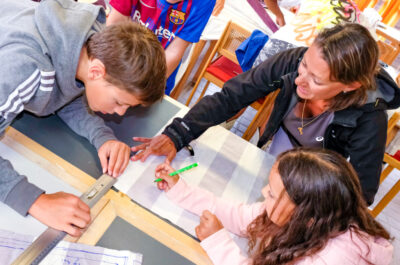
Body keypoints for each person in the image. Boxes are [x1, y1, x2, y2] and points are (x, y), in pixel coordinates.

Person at [131, 23, 400, 205]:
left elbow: (360, 193)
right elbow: (231, 97)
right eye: (305, 66)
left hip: (317, 179)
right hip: (278, 150)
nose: (300, 80)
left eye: (316, 81)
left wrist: (308, 207)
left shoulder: (370, 117)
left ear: (350, 86)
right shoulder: (292, 60)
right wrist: (177, 134)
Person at [0, 0, 166, 236]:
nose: (120, 113)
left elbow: (66, 91)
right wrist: (35, 200)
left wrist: (102, 135)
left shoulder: (91, 47)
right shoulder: (25, 68)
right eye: (119, 102)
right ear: (96, 71)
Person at [154, 148, 393, 264]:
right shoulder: (313, 216)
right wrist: (181, 190)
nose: (262, 193)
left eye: (272, 193)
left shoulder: (327, 260)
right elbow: (239, 216)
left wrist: (218, 242)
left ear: (305, 215)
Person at [106, 0, 215, 95]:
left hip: (157, 73)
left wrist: (145, 88)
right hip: (119, 62)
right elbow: (114, 25)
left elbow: (174, 52)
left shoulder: (204, 2)